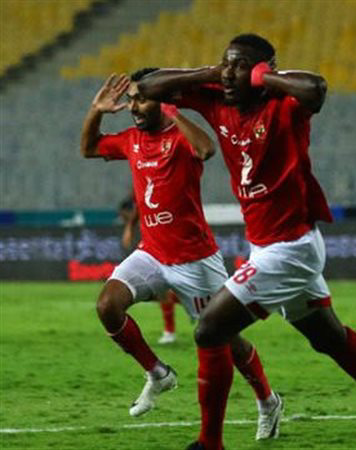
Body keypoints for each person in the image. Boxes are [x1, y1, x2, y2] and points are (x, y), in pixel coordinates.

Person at [137, 33, 356, 450]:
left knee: (210, 329)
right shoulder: (217, 98)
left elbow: (317, 89)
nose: (229, 73)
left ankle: (209, 443)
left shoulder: (284, 105)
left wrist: (264, 78)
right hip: (269, 245)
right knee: (329, 339)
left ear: (262, 71)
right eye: (226, 63)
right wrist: (211, 72)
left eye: (240, 65)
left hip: (290, 248)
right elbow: (149, 86)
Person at [80, 69, 282, 441]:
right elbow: (89, 148)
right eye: (132, 99)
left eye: (143, 98)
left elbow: (206, 149)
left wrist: (174, 111)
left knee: (226, 341)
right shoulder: (132, 140)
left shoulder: (180, 136)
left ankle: (268, 400)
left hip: (195, 261)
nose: (134, 107)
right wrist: (96, 110)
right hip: (152, 253)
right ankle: (157, 373)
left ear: (162, 101)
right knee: (108, 305)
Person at [118, 192, 180, 345]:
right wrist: (130, 227)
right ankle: (170, 331)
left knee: (171, 290)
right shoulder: (141, 190)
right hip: (156, 244)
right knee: (163, 290)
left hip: (172, 242)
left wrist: (129, 226)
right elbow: (140, 204)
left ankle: (204, 307)